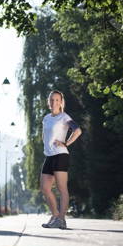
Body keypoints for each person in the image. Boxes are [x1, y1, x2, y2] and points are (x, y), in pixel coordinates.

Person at [40, 90, 82, 229]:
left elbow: (77, 130)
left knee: (61, 188)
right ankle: (55, 215)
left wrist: (66, 143)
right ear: (49, 102)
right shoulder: (46, 118)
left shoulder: (64, 117)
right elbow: (44, 136)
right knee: (45, 188)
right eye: (52, 99)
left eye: (57, 100)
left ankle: (62, 219)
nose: (54, 102)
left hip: (60, 154)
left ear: (61, 102)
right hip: (49, 155)